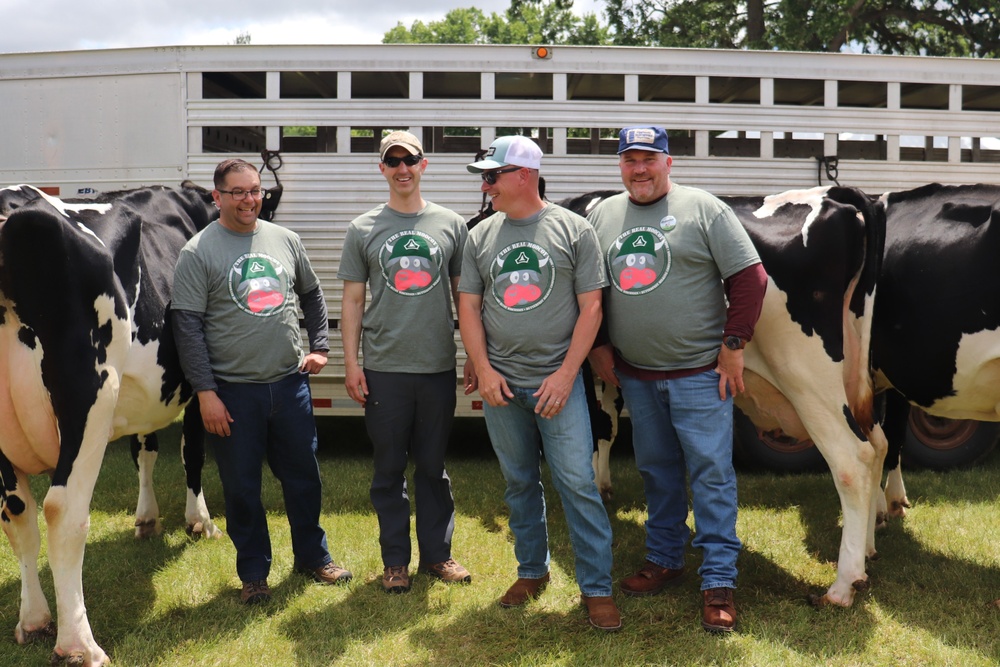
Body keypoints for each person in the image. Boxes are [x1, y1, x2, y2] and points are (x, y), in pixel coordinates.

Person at [587, 126, 767, 633]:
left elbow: (750, 279)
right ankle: (665, 559)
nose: (639, 169)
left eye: (649, 159)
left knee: (710, 475)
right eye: (629, 160)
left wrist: (733, 347)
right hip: (637, 377)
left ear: (670, 162)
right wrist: (601, 345)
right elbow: (592, 287)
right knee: (656, 471)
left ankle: (718, 582)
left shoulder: (704, 209)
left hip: (699, 375)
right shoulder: (602, 215)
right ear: (620, 166)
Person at [458, 135, 621, 631]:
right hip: (501, 384)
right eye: (484, 178)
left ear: (523, 175)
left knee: (577, 481)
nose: (486, 188)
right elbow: (468, 306)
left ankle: (596, 588)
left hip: (560, 382)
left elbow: (593, 306)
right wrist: (483, 369)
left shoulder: (573, 230)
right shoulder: (480, 236)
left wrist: (567, 374)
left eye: (493, 176)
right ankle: (533, 571)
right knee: (519, 480)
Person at [171, 158, 352, 605]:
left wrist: (321, 348)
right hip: (233, 394)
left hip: (290, 386)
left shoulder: (285, 239)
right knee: (242, 488)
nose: (250, 199)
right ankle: (254, 573)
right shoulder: (198, 252)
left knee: (304, 480)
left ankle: (314, 557)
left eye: (255, 190)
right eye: (238, 192)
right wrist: (206, 393)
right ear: (217, 197)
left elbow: (311, 293)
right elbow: (187, 327)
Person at [338, 130, 472, 594]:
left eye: (409, 160)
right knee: (389, 467)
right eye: (392, 161)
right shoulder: (363, 229)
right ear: (382, 169)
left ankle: (438, 555)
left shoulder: (452, 225)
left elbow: (464, 298)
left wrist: (475, 355)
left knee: (433, 467)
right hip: (385, 368)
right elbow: (352, 301)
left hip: (435, 366)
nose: (402, 169)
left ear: (423, 164)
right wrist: (352, 365)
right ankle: (395, 560)